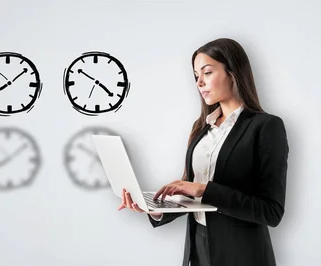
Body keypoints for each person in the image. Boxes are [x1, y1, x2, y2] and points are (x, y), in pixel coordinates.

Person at [117, 37, 289, 266]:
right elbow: (192, 196)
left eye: (207, 72)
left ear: (233, 71)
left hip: (242, 255)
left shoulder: (266, 127)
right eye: (196, 76)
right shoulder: (200, 128)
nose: (199, 82)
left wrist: (204, 189)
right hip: (198, 250)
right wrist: (155, 209)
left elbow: (271, 212)